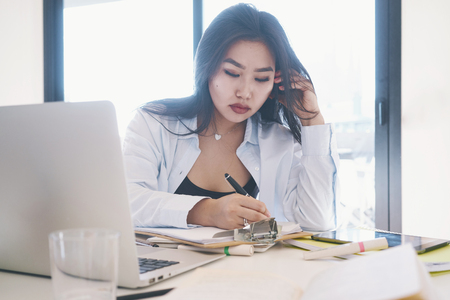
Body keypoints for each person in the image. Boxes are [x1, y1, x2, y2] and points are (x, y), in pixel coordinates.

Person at [123, 3, 339, 231]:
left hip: (254, 267)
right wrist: (207, 211)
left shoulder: (281, 142)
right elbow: (128, 203)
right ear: (207, 66)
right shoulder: (152, 123)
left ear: (276, 84)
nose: (245, 92)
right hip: (170, 266)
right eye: (232, 73)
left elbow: (318, 222)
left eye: (261, 79)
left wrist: (311, 121)